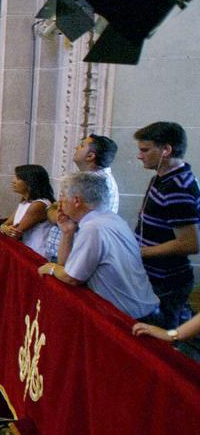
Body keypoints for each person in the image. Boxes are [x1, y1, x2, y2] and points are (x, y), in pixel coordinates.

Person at [37, 172, 161, 322]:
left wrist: (51, 268)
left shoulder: (93, 227)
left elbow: (72, 278)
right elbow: (67, 266)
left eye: (63, 195)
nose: (60, 202)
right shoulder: (110, 218)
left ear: (76, 200)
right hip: (143, 310)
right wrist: (67, 232)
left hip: (131, 318)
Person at [134, 122, 200, 330]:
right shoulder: (161, 178)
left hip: (166, 281)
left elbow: (190, 243)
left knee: (160, 337)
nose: (139, 155)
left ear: (166, 150)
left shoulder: (178, 188)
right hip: (152, 274)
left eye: (145, 150)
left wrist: (142, 252)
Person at [0, 164, 55, 258]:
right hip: (28, 251)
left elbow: (15, 232)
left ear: (30, 183)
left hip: (38, 253)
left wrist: (5, 229)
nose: (13, 181)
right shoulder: (25, 202)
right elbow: (6, 224)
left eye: (18, 178)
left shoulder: (39, 205)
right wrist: (4, 227)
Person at [73, 134, 119, 212]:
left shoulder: (96, 182)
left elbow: (72, 213)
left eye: (81, 146)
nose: (76, 148)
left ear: (90, 156)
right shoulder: (95, 176)